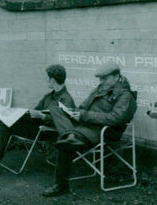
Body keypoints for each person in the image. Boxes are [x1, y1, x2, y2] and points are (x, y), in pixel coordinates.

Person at [42, 63, 137, 197]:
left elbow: (116, 119)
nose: (101, 82)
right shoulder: (99, 89)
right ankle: (69, 135)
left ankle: (61, 185)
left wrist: (84, 115)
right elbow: (84, 106)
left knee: (65, 144)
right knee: (55, 108)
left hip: (104, 132)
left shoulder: (126, 96)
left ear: (117, 77)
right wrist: (74, 112)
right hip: (85, 126)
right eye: (100, 79)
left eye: (105, 79)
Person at [0, 64, 76, 176]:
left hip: (47, 132)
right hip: (37, 127)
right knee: (5, 121)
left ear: (52, 80)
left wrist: (43, 117)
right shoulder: (49, 96)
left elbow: (65, 122)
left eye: (47, 78)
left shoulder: (66, 99)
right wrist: (29, 113)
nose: (46, 80)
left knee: (5, 121)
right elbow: (37, 110)